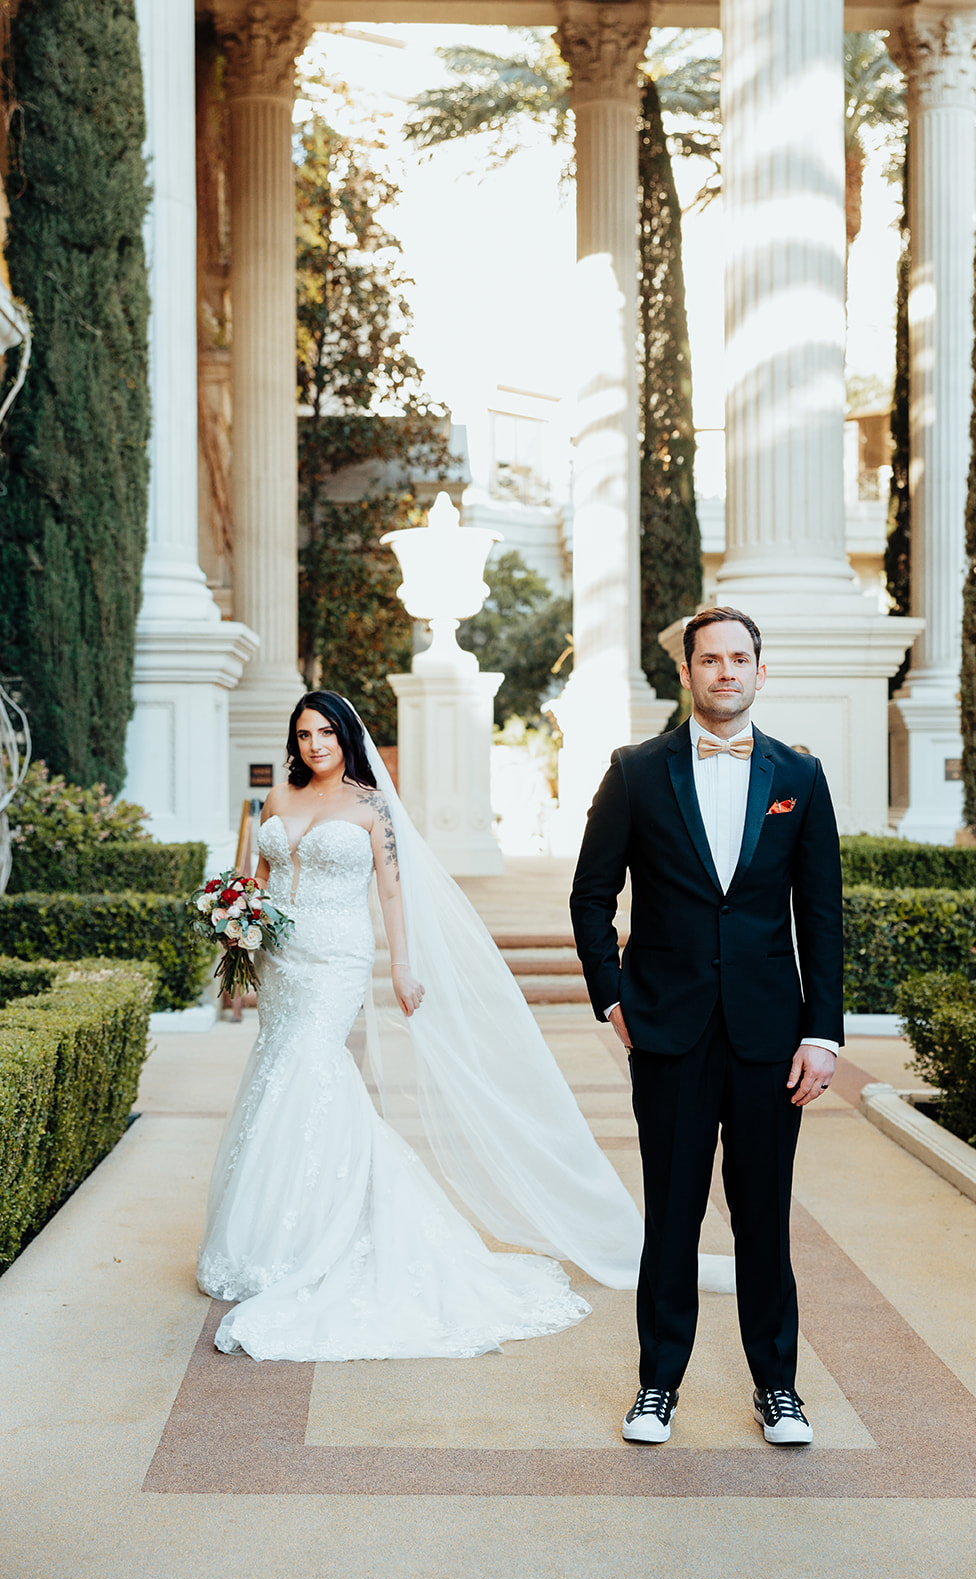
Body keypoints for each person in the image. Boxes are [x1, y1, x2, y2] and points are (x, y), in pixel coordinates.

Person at [197, 690, 734, 1363]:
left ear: (346, 737)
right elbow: (259, 879)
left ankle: (326, 1227)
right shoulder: (277, 802)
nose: (315, 745)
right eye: (304, 734)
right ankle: (267, 1232)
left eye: (326, 732)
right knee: (277, 1071)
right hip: (280, 959)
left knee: (313, 1067)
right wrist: (238, 930)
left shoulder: (371, 807)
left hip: (335, 957)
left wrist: (402, 965)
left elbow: (391, 890)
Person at [570, 607, 844, 1446]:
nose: (726, 672)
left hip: (770, 1037)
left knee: (764, 1217)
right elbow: (590, 896)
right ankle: (658, 1385)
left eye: (740, 659)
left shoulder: (802, 774)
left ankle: (778, 1390)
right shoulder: (636, 772)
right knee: (673, 1215)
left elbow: (822, 914)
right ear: (686, 673)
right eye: (710, 659)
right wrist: (613, 999)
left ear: (762, 671)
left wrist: (822, 1034)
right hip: (669, 1032)